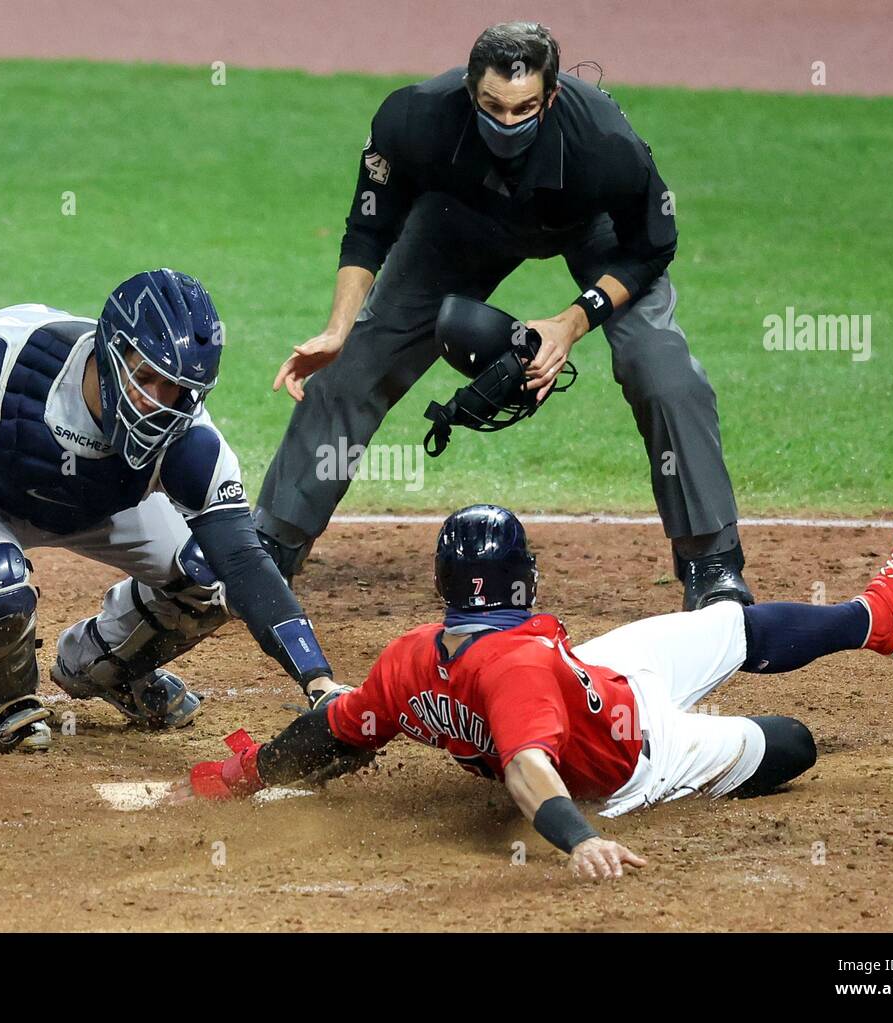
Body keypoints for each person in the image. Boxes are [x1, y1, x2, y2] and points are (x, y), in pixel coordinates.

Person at [256, 21, 752, 611]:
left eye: (524, 109)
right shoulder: (412, 119)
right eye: (493, 106)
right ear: (470, 91)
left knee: (663, 369)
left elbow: (650, 247)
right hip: (461, 221)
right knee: (354, 364)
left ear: (552, 96)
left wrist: (571, 322)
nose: (508, 121)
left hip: (594, 229)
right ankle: (271, 546)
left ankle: (711, 562)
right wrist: (337, 329)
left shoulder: (604, 143)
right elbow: (369, 227)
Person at [178, 505, 893, 883]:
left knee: (725, 623)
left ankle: (879, 617)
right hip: (644, 757)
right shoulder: (515, 670)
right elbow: (528, 769)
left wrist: (250, 774)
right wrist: (581, 839)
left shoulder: (410, 657)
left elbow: (335, 730)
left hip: (601, 673)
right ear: (521, 578)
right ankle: (735, 739)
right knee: (792, 742)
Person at [0, 270, 345, 752]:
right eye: (147, 377)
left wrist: (318, 680)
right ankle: (10, 698)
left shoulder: (190, 444)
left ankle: (106, 666)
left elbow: (245, 562)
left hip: (92, 501)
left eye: (179, 390)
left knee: (208, 576)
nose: (161, 400)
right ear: (111, 354)